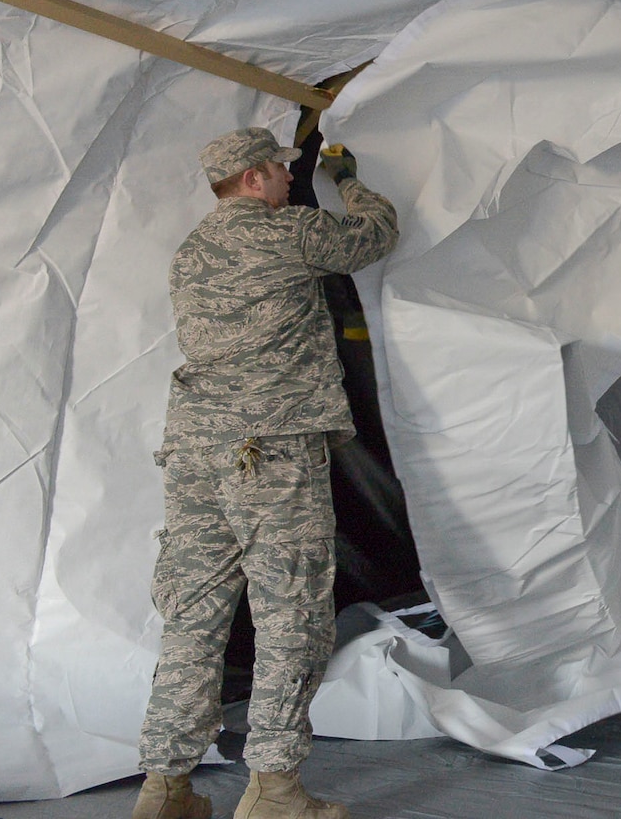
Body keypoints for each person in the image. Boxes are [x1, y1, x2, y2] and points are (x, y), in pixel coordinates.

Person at [134, 128, 398, 819]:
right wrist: (344, 180)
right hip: (270, 452)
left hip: (193, 452)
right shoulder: (284, 234)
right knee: (292, 615)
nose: (289, 179)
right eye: (282, 171)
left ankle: (164, 787)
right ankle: (275, 790)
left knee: (191, 619)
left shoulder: (191, 251)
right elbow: (373, 234)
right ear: (253, 178)